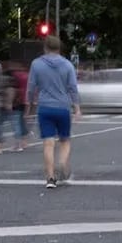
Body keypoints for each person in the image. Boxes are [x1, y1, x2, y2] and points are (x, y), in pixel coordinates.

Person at [26, 35, 80, 189]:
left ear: (45, 47)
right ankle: (62, 163)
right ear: (59, 48)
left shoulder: (36, 64)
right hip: (63, 107)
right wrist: (77, 108)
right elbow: (73, 88)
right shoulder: (68, 65)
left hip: (44, 108)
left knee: (48, 143)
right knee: (64, 140)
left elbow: (31, 87)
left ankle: (50, 178)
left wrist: (29, 105)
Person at [0, 62, 29, 154]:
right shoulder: (17, 79)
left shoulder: (5, 80)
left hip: (8, 105)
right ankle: (20, 143)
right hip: (17, 105)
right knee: (17, 124)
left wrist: (8, 103)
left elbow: (8, 91)